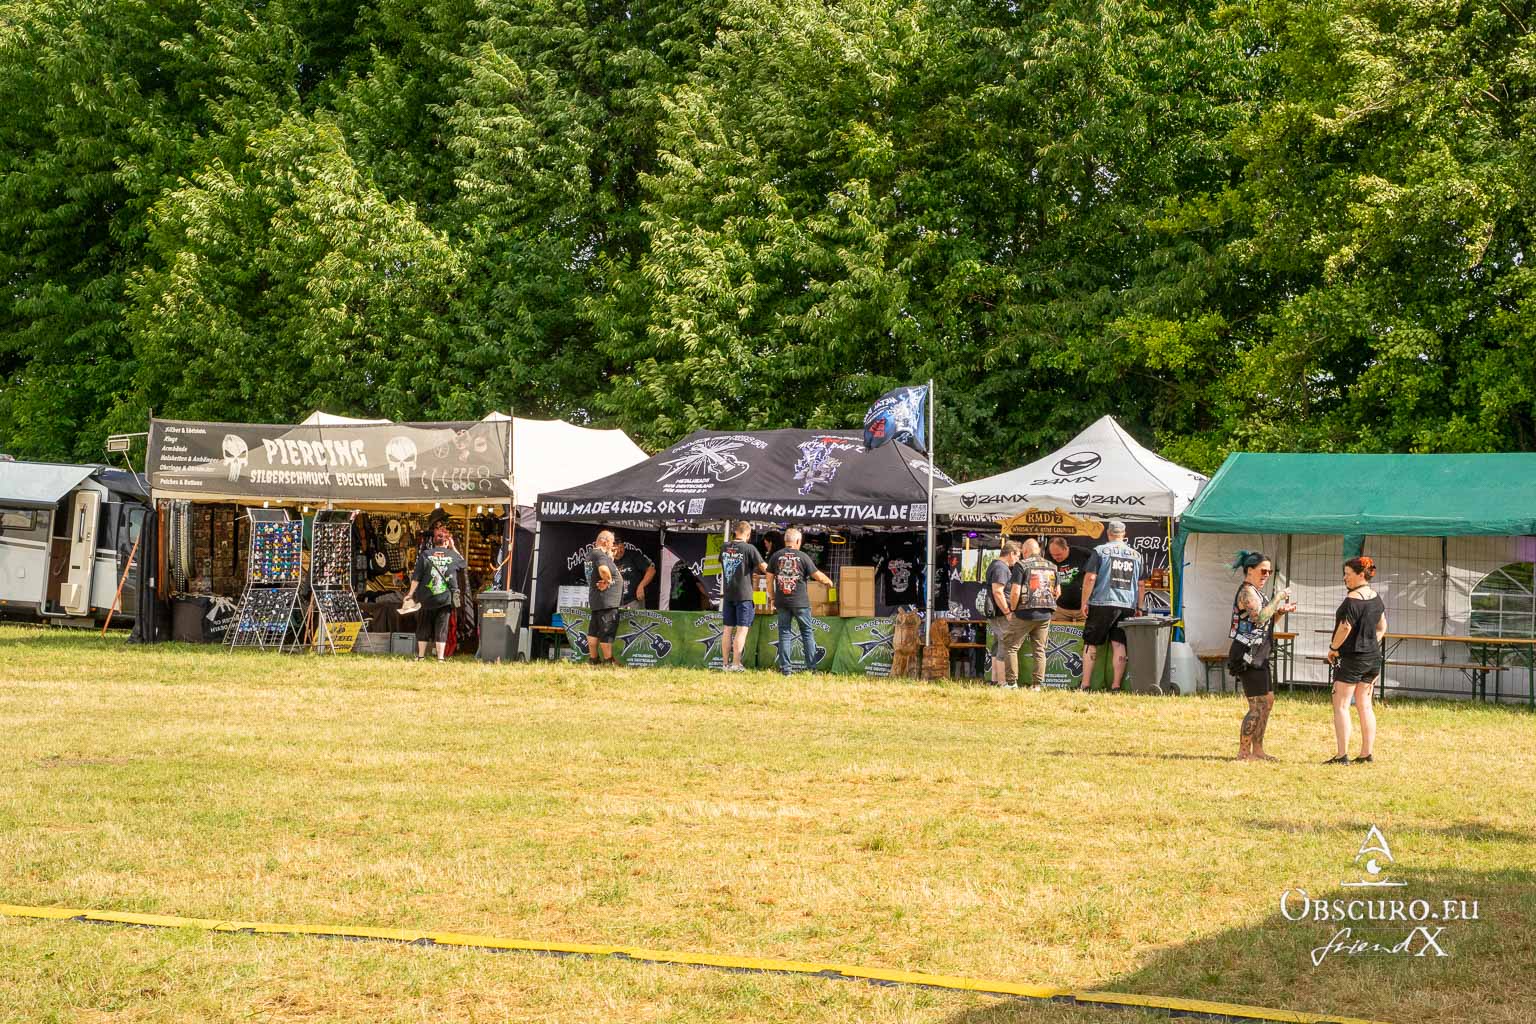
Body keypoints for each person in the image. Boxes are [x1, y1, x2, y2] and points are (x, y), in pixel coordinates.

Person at [1226, 551, 1296, 761]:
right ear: (1250, 570)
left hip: (1260, 654)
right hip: (1247, 655)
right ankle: (1243, 753)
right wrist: (1278, 597)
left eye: (1269, 572)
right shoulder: (1247, 592)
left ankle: (1258, 750)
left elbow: (1265, 623)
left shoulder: (1257, 592)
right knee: (1256, 705)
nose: (1266, 575)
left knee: (1268, 702)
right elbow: (1260, 618)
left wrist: (1279, 612)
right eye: (1263, 571)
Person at [1325, 556, 1387, 764]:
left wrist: (1333, 648)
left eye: (1348, 574)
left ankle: (1342, 755)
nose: (1345, 578)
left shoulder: (1352, 600)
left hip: (1352, 658)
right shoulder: (1376, 598)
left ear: (1361, 575)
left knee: (1341, 705)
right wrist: (1370, 643)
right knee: (1365, 705)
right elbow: (1382, 627)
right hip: (1373, 658)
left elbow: (1345, 627)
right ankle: (1366, 754)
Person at [1077, 520, 1143, 692]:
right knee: (1119, 644)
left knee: (1090, 643)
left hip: (1102, 603)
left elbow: (1091, 578)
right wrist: (1139, 607)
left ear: (1108, 533)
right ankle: (1116, 686)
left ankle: (1085, 684)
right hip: (1127, 605)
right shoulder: (1136, 555)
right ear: (1124, 534)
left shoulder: (1100, 551)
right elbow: (1141, 584)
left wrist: (1084, 602)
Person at [765, 527, 834, 676]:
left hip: (782, 602)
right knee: (807, 633)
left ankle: (786, 670)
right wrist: (829, 582)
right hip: (800, 602)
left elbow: (768, 580)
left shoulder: (776, 556)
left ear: (785, 541)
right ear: (797, 541)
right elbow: (818, 576)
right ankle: (812, 669)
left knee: (784, 633)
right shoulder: (803, 556)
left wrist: (772, 597)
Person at [402, 521, 466, 662]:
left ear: (433, 541)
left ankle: (421, 656)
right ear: (447, 541)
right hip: (444, 598)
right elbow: (463, 563)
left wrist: (410, 594)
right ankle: (440, 658)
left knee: (423, 626)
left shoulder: (425, 554)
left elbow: (416, 577)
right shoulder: (453, 556)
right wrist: (453, 547)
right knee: (441, 628)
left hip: (426, 597)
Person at [719, 522, 767, 671]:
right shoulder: (749, 548)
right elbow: (764, 567)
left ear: (735, 532)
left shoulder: (724, 547)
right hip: (744, 595)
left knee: (727, 630)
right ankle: (736, 664)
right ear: (748, 534)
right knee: (742, 630)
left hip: (728, 594)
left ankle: (725, 664)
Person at [1014, 539, 1060, 689]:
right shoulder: (1052, 566)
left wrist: (1012, 609)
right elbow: (1058, 592)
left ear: (1025, 551)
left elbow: (1016, 591)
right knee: (1040, 650)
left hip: (1024, 612)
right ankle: (1037, 685)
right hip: (1045, 613)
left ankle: (1011, 683)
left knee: (1011, 647)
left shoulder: (1021, 565)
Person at [985, 542, 1022, 686]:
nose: (1017, 560)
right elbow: (998, 592)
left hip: (996, 612)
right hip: (1000, 613)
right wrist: (1007, 611)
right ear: (1011, 553)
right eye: (1017, 556)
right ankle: (1003, 682)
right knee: (1006, 644)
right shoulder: (1001, 568)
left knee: (998, 644)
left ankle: (995, 680)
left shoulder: (996, 565)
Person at [584, 530, 623, 666]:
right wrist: (608, 581)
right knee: (607, 630)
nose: (613, 545)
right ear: (604, 541)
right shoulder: (599, 554)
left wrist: (610, 557)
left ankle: (594, 659)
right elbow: (603, 570)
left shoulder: (593, 554)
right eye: (611, 542)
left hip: (598, 600)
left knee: (594, 631)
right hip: (606, 601)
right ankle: (608, 660)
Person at [1045, 536, 1090, 620]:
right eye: (1052, 555)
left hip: (1083, 608)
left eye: (1058, 554)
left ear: (1066, 548)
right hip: (1060, 609)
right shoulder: (1048, 557)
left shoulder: (1083, 554)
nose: (1055, 558)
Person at [611, 540, 657, 608]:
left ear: (624, 546)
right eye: (615, 550)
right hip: (613, 602)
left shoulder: (633, 555)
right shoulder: (606, 559)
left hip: (633, 600)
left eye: (621, 548)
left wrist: (641, 586)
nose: (619, 551)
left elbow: (651, 570)